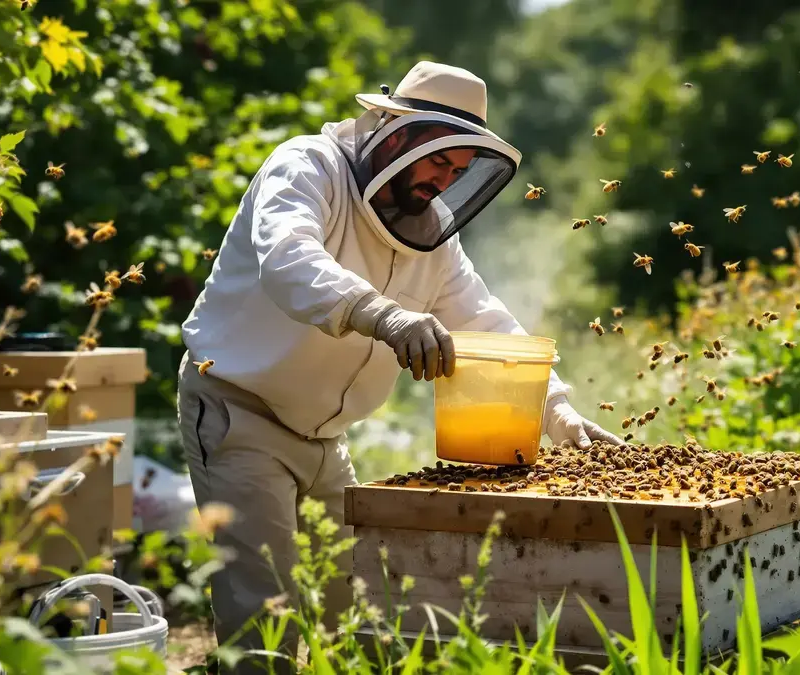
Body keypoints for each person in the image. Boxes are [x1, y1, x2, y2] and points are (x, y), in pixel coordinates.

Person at [176, 60, 622, 672]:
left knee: (360, 604)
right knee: (263, 610)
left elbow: (484, 321)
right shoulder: (307, 167)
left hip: (327, 437)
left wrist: (560, 411)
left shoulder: (431, 237)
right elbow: (287, 256)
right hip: (239, 409)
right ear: (397, 135)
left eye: (459, 172)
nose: (444, 182)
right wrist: (382, 315)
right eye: (439, 161)